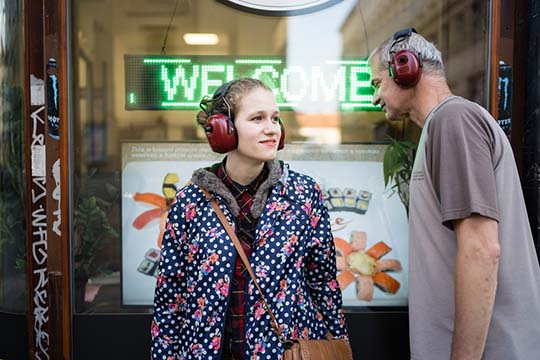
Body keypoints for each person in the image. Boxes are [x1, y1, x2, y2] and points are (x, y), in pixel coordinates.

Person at [369, 28, 540, 359]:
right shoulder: (442, 126)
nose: (376, 97)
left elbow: (481, 251)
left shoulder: (454, 121)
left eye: (377, 83)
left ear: (404, 68)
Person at [150, 77, 349, 359]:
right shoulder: (190, 202)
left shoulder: (304, 195)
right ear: (224, 129)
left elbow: (324, 283)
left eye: (275, 119)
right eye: (257, 118)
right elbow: (170, 296)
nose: (272, 129)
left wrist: (337, 347)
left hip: (286, 353)